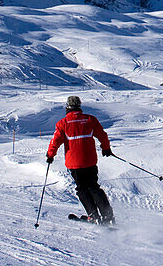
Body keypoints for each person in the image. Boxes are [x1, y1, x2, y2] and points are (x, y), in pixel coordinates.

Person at [46, 96, 115, 225]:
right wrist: (106, 148)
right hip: (90, 161)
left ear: (67, 107)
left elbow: (55, 141)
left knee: (82, 189)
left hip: (75, 163)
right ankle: (108, 216)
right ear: (79, 106)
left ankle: (93, 215)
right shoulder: (90, 119)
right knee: (94, 187)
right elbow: (102, 135)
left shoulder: (63, 123)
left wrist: (50, 155)